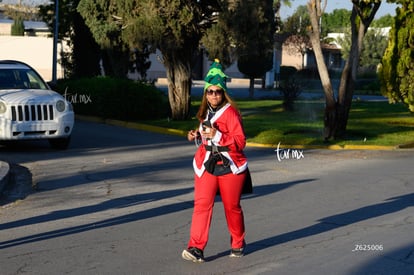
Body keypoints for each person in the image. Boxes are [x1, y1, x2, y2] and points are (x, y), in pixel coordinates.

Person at [182, 59, 248, 263]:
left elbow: (240, 142)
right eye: (209, 92)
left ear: (223, 92)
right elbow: (206, 135)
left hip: (229, 166)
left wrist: (218, 135)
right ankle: (196, 248)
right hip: (206, 164)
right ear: (205, 94)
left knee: (232, 207)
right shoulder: (205, 113)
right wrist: (196, 135)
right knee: (201, 205)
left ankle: (238, 242)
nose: (213, 95)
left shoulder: (231, 114)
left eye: (217, 91)